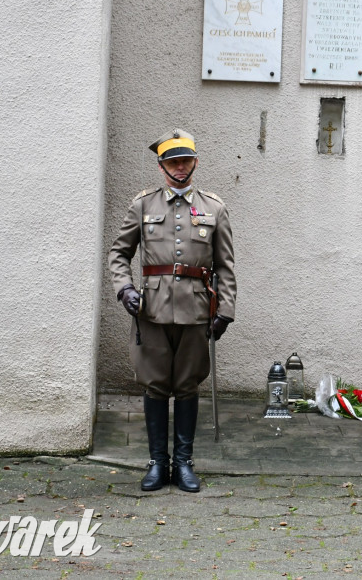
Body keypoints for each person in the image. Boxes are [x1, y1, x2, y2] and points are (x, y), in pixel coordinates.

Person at [108, 129, 236, 493]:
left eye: (185, 160)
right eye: (172, 162)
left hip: (197, 309)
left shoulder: (214, 208)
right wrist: (125, 288)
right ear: (161, 165)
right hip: (151, 310)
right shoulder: (143, 205)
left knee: (187, 385)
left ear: (195, 162)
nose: (180, 168)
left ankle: (183, 463)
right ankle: (156, 463)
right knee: (155, 385)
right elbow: (119, 253)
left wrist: (224, 308)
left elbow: (225, 265)